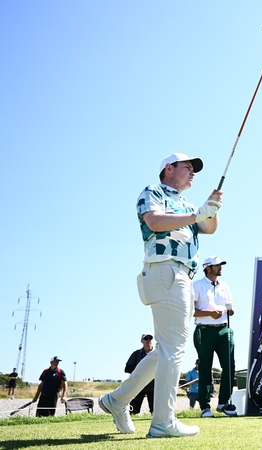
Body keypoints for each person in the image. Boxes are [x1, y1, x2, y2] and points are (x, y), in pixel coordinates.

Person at [100, 152, 221, 438]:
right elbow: (154, 222)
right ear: (169, 168)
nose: (193, 173)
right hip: (165, 270)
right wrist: (198, 213)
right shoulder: (153, 192)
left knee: (165, 349)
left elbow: (208, 227)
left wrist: (213, 207)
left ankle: (117, 400)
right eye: (188, 167)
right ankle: (163, 421)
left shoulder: (187, 205)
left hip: (181, 275)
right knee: (174, 348)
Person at [193, 255, 236, 418]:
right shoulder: (196, 285)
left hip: (225, 329)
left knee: (230, 366)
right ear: (208, 268)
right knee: (205, 367)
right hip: (204, 330)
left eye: (221, 265)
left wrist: (231, 310)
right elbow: (191, 310)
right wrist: (210, 313)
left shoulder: (225, 286)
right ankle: (205, 406)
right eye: (217, 265)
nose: (220, 267)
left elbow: (231, 306)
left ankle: (224, 402)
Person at [124, 333, 155, 414]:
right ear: (142, 341)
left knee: (155, 411)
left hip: (154, 386)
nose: (148, 340)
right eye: (146, 339)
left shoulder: (158, 353)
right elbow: (127, 368)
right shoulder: (137, 354)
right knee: (133, 411)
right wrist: (141, 372)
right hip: (139, 386)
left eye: (150, 338)